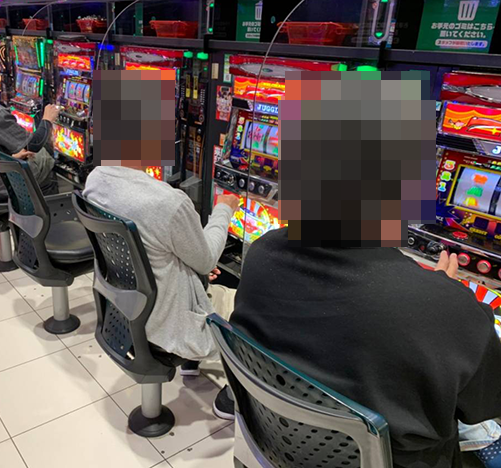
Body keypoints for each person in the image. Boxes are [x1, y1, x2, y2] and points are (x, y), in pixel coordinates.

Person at [228, 229, 501, 468]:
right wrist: (443, 298)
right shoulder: (446, 306)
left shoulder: (262, 251)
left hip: (278, 445)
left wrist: (434, 296)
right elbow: (485, 404)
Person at [83, 165, 240, 370]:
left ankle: (191, 367)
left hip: (122, 311)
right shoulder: (169, 202)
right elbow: (207, 260)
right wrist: (224, 209)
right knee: (254, 309)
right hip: (169, 330)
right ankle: (236, 390)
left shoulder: (96, 179)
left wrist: (192, 272)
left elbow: (150, 251)